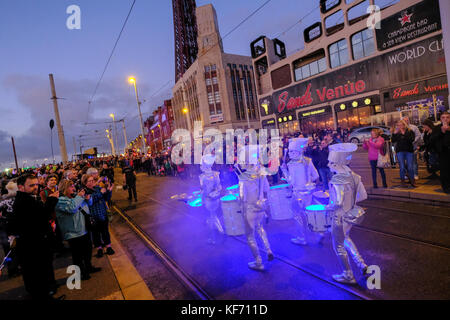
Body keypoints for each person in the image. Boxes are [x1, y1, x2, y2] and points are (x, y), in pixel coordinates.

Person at [8, 174, 61, 300]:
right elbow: (42, 215)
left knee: (40, 277)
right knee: (37, 278)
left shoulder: (28, 198)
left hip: (36, 245)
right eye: (31, 185)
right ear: (21, 187)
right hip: (33, 248)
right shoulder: (24, 201)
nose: (35, 187)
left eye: (36, 184)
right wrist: (52, 200)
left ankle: (47, 292)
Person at [326, 143, 369, 284]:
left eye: (330, 162)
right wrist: (349, 200)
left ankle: (348, 274)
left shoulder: (337, 179)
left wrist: (328, 206)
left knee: (338, 245)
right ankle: (362, 265)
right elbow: (363, 196)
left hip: (340, 217)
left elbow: (337, 202)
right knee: (346, 239)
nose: (328, 165)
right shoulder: (355, 176)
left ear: (336, 163)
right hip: (351, 214)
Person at [55, 180, 101, 280]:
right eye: (70, 186)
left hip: (84, 229)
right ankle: (81, 273)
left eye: (73, 186)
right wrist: (80, 196)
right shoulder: (60, 200)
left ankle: (89, 267)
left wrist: (88, 199)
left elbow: (89, 204)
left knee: (88, 252)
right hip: (73, 233)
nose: (73, 188)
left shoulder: (75, 197)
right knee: (78, 256)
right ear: (64, 188)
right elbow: (72, 208)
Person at [237, 145, 274, 271]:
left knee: (250, 236)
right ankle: (268, 250)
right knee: (261, 228)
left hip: (249, 210)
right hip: (260, 207)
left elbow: (242, 197)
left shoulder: (242, 177)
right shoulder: (261, 173)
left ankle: (258, 261)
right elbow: (266, 190)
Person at [281, 138, 319, 245]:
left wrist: (284, 171)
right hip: (308, 193)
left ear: (299, 151)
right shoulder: (305, 161)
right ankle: (318, 233)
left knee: (297, 215)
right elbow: (315, 175)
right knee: (308, 215)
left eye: (293, 151)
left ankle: (302, 238)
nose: (291, 154)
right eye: (290, 152)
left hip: (298, 193)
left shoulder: (294, 164)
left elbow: (291, 181)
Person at [82, 174, 115, 258]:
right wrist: (101, 193)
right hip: (93, 216)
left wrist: (109, 191)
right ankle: (99, 249)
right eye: (90, 181)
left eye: (93, 180)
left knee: (105, 231)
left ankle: (108, 247)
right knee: (95, 234)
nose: (92, 182)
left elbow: (106, 198)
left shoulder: (97, 188)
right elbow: (91, 200)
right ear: (85, 183)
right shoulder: (85, 191)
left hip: (103, 213)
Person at [0, 181, 20, 278]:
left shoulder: (4, 199)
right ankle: (13, 269)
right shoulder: (13, 199)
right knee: (12, 249)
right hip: (10, 227)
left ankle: (12, 268)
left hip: (6, 226)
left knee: (9, 249)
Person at [391, 120, 416, 187]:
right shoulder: (397, 132)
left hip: (409, 151)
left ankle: (412, 181)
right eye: (398, 125)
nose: (399, 126)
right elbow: (393, 140)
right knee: (402, 167)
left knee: (410, 166)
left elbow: (411, 139)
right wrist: (394, 134)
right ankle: (403, 182)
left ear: (404, 125)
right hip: (400, 151)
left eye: (401, 125)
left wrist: (403, 133)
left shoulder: (410, 131)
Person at [431, 112, 450, 193]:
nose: (445, 119)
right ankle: (446, 187)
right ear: (440, 119)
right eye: (443, 117)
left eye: (447, 117)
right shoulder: (437, 128)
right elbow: (432, 140)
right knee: (444, 170)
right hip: (442, 152)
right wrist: (441, 132)